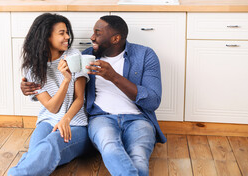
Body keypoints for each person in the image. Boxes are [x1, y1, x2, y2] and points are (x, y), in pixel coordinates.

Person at [21, 15, 167, 176]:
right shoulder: (85, 57)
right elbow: (54, 101)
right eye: (62, 33)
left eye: (97, 33)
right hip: (101, 118)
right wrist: (31, 86)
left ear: (115, 38)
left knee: (138, 156)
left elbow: (153, 101)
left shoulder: (144, 55)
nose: (91, 37)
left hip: (136, 118)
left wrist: (113, 76)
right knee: (109, 148)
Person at [8, 13, 90, 176]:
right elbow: (52, 108)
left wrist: (65, 120)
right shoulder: (32, 68)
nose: (67, 37)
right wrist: (66, 81)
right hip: (47, 121)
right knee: (36, 153)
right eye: (61, 33)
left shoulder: (74, 57)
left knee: (49, 146)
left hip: (76, 123)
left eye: (67, 32)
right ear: (46, 37)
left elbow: (79, 99)